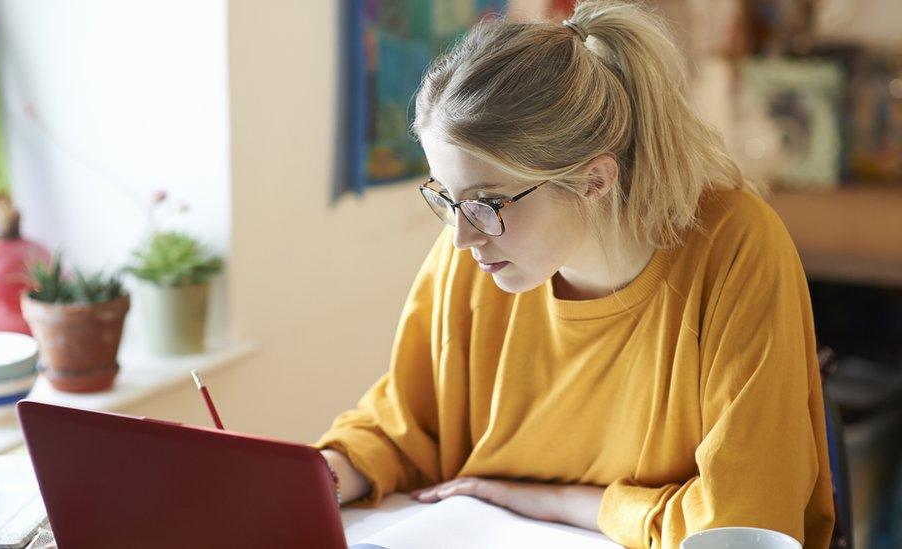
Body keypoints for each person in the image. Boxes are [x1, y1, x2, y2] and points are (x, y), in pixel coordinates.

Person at [312, 1, 836, 547]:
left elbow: (746, 522)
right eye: (445, 197)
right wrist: (326, 473)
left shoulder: (736, 247)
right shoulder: (479, 246)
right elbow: (407, 424)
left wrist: (559, 502)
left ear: (594, 179)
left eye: (488, 201)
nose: (461, 235)